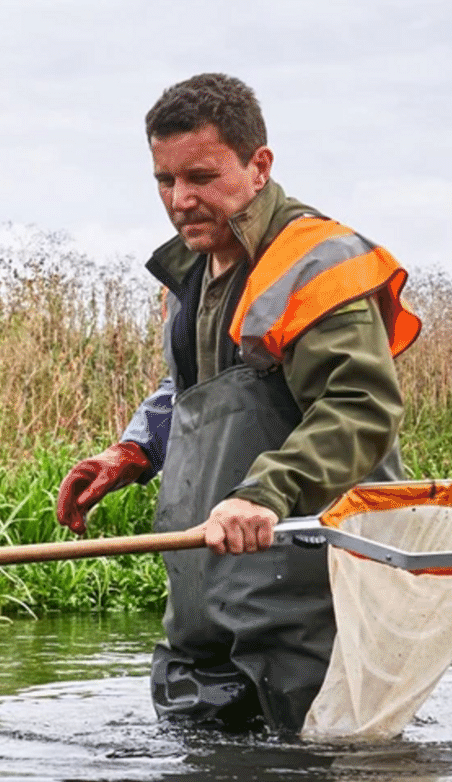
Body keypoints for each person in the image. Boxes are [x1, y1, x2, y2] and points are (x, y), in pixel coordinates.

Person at [54, 72, 421, 733]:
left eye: (201, 176)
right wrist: (133, 449)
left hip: (308, 614)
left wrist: (265, 492)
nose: (180, 199)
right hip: (203, 609)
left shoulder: (315, 263)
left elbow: (361, 406)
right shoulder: (192, 273)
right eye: (165, 181)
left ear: (260, 166)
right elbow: (186, 390)